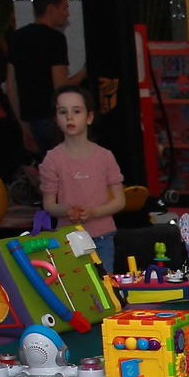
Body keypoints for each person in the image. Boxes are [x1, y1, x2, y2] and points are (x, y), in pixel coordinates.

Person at [37, 85, 124, 272]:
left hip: (103, 237)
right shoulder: (53, 159)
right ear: (55, 118)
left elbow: (120, 201)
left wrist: (94, 212)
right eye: (63, 112)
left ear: (89, 117)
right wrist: (67, 210)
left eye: (76, 111)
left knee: (104, 289)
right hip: (68, 240)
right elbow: (49, 205)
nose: (70, 117)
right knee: (76, 291)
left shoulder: (105, 156)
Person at [8, 0, 83, 155]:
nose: (67, 14)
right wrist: (85, 71)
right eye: (64, 8)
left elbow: (12, 86)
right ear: (51, 9)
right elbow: (61, 87)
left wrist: (23, 126)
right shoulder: (55, 40)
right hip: (52, 119)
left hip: (30, 120)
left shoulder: (17, 38)